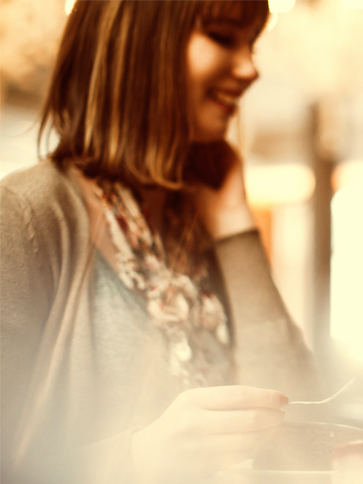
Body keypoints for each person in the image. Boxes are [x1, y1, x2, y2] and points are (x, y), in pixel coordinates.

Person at [0, 2, 319, 483]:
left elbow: (303, 431)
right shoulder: (25, 215)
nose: (250, 68)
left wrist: (235, 224)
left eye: (251, 43)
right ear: (140, 42)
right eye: (223, 36)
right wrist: (137, 460)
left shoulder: (203, 217)